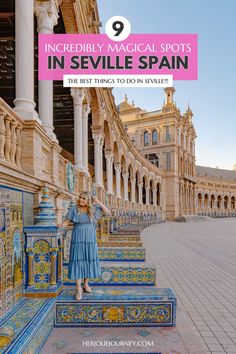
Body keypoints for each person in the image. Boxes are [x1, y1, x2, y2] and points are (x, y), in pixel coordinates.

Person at [59, 192, 110, 300]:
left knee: (88, 259)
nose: (81, 200)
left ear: (88, 201)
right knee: (78, 260)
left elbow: (107, 212)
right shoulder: (74, 208)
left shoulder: (93, 209)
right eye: (80, 197)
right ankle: (78, 288)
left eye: (84, 199)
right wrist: (60, 225)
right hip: (78, 237)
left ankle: (86, 284)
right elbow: (67, 221)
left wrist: (97, 201)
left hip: (90, 238)